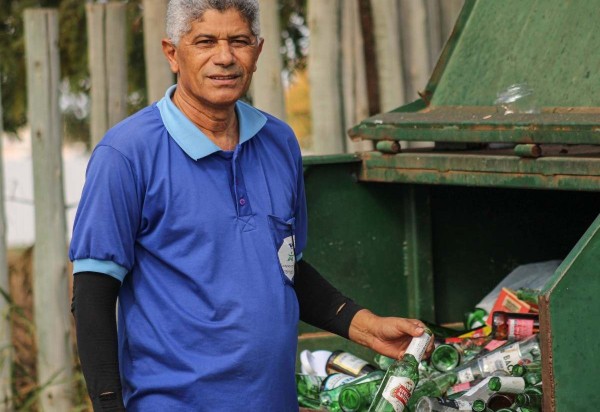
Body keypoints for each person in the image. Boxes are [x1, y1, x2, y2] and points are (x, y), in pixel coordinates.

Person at [69, 1, 433, 410]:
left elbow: (282, 265)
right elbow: (93, 295)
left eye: (238, 41)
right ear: (172, 53)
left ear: (258, 52)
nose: (224, 57)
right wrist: (107, 404)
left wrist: (366, 327)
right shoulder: (126, 154)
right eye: (205, 41)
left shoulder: (279, 142)